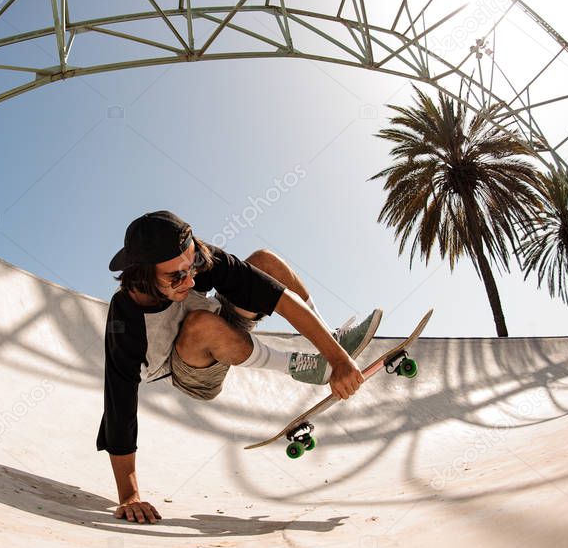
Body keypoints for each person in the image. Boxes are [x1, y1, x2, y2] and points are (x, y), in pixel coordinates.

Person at [98, 211, 372, 524]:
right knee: (201, 325)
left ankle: (329, 339)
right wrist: (129, 495)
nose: (190, 280)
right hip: (191, 370)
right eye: (176, 277)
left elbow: (279, 297)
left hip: (223, 324)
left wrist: (338, 357)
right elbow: (119, 404)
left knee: (265, 262)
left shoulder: (204, 261)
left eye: (192, 266)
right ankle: (299, 367)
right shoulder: (125, 320)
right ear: (142, 275)